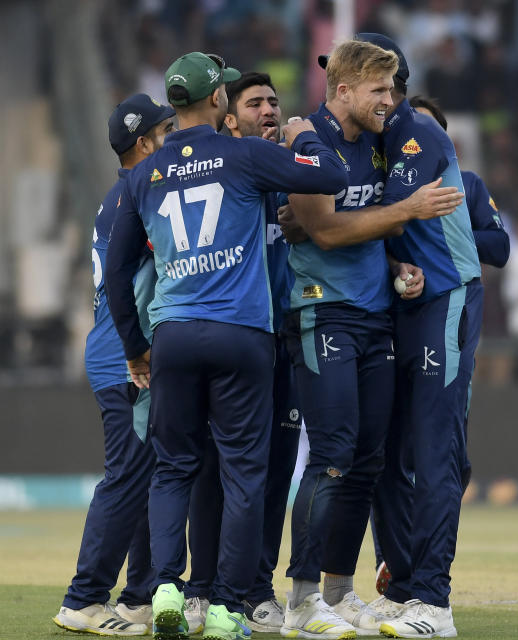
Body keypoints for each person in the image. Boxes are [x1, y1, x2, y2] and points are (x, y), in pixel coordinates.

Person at [104, 52, 347, 640]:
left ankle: (167, 587)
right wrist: (307, 136)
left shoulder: (144, 174)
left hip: (176, 336)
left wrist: (137, 347)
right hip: (242, 335)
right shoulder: (244, 154)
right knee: (243, 475)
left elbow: (117, 276)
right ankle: (226, 609)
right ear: (218, 101)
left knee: (173, 470)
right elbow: (331, 178)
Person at [278, 38, 461, 639]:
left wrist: (393, 267)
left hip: (375, 314)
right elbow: (326, 231)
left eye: (391, 90)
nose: (390, 102)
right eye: (379, 91)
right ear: (344, 91)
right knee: (330, 455)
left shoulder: (375, 149)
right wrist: (407, 210)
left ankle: (337, 590)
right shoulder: (310, 144)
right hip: (321, 313)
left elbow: (358, 229)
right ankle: (301, 598)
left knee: (367, 461)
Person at [345, 33, 481, 639]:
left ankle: (435, 601)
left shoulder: (416, 134)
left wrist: (320, 217)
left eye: (375, 81)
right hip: (404, 305)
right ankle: (402, 588)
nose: (370, 93)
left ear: (390, 80)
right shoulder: (374, 142)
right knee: (387, 455)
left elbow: (395, 210)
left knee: (432, 451)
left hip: (444, 299)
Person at [370, 94, 510, 594]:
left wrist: (446, 239)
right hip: (394, 324)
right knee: (387, 452)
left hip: (444, 320)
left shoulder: (466, 187)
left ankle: (423, 576)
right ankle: (393, 563)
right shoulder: (382, 185)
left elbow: (500, 246)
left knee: (445, 456)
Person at [181, 71, 303, 635]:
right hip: (236, 336)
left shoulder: (286, 173)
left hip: (285, 339)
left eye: (275, 102)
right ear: (229, 118)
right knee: (211, 470)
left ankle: (256, 587)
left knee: (274, 472)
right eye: (256, 103)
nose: (270, 110)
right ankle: (200, 587)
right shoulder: (228, 171)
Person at [53, 94, 175, 638]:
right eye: (168, 131)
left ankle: (139, 597)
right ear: (144, 143)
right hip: (126, 359)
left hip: (126, 352)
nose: (176, 138)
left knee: (149, 476)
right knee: (128, 476)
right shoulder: (140, 190)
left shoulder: (119, 194)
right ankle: (83, 599)